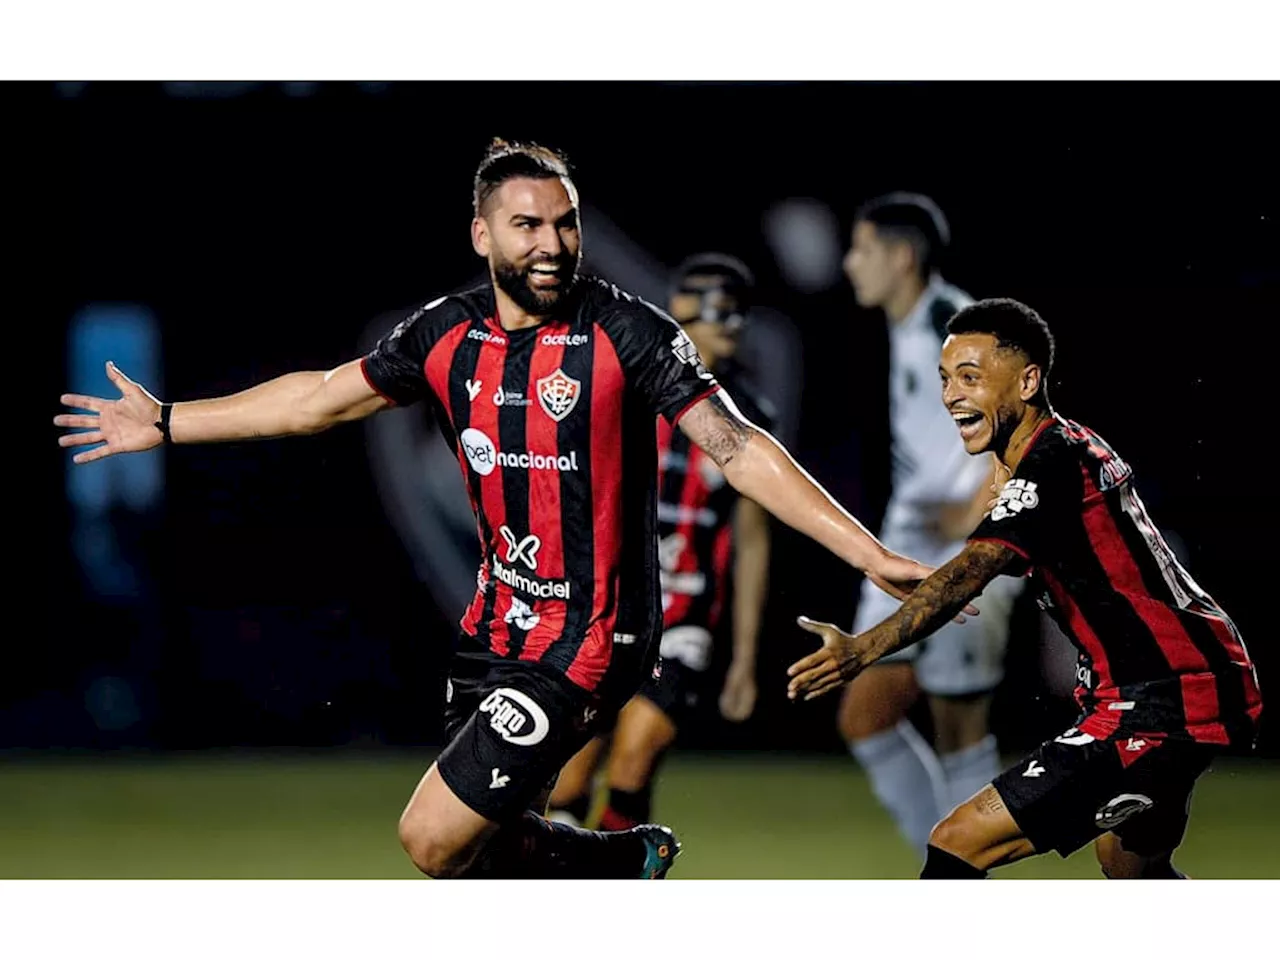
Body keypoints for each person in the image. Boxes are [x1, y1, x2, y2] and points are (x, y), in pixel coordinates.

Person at [55, 137, 945, 880]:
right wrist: (169, 422)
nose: (552, 243)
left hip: (593, 635)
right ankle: (622, 863)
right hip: (495, 628)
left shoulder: (627, 332)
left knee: (430, 837)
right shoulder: (445, 334)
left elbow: (738, 446)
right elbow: (316, 399)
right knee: (483, 854)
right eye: (528, 225)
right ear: (481, 233)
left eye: (566, 223)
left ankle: (611, 862)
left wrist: (866, 553)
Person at [787, 298, 1263, 879]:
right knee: (1131, 869)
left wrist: (864, 649)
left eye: (971, 377)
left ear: (1029, 380)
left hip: (1162, 699)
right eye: (944, 378)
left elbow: (973, 570)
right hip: (1188, 684)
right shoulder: (1054, 450)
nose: (951, 395)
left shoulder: (1051, 462)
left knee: (959, 840)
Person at [546, 253, 775, 830]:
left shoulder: (750, 417)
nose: (732, 330)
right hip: (610, 610)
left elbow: (751, 543)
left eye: (739, 317)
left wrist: (744, 659)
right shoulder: (628, 394)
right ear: (683, 318)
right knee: (569, 780)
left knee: (633, 762)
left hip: (686, 619)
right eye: (721, 315)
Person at [837, 192, 1025, 856]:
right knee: (864, 717)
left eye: (861, 249)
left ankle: (959, 882)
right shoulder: (912, 327)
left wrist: (980, 510)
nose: (848, 262)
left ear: (901, 256)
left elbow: (1026, 416)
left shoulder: (955, 327)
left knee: (960, 729)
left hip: (969, 548)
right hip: (910, 546)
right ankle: (942, 864)